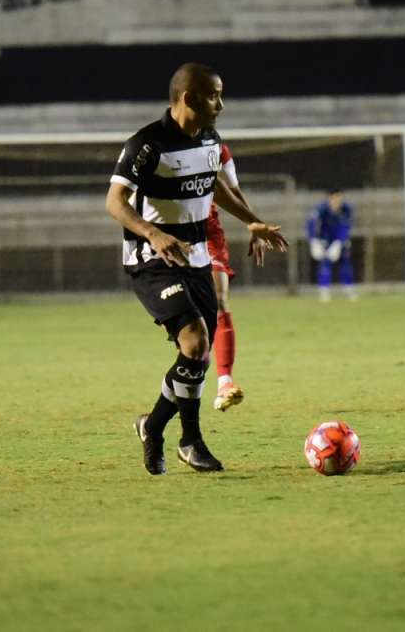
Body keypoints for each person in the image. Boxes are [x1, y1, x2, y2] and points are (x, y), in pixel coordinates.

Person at [105, 62, 287, 476]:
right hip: (153, 259)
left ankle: (153, 427)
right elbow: (114, 202)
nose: (220, 104)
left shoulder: (209, 138)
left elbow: (213, 184)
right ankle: (191, 441)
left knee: (196, 356)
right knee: (195, 340)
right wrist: (153, 234)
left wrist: (251, 221)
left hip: (197, 258)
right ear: (189, 98)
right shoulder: (147, 144)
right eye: (213, 96)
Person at [207, 144, 264, 413]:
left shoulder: (218, 148)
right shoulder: (163, 145)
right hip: (172, 233)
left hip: (208, 233)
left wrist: (254, 223)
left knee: (219, 300)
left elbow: (232, 190)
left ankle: (225, 382)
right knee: (188, 323)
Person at [307, 189, 357, 302]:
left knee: (345, 263)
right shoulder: (321, 209)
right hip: (325, 240)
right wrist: (313, 240)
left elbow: (346, 226)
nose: (336, 203)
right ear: (329, 199)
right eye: (334, 200)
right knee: (325, 263)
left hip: (340, 240)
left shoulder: (346, 209)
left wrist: (340, 242)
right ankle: (324, 291)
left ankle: (349, 289)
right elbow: (311, 224)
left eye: (338, 200)